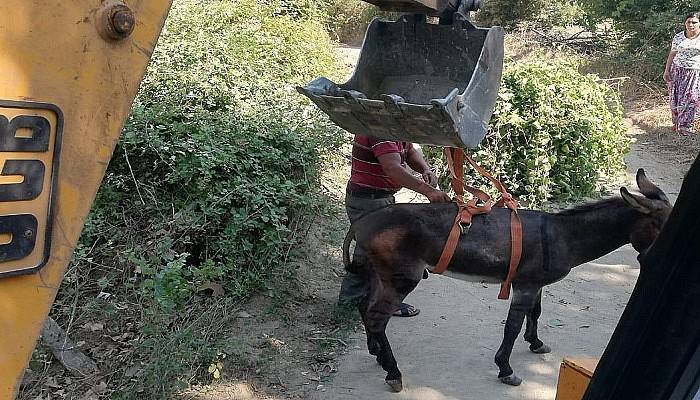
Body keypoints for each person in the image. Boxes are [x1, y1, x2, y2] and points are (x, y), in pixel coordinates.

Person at [340, 134, 451, 317]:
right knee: (370, 254)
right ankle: (349, 305)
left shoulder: (393, 128)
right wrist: (427, 190)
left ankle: (377, 300)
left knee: (381, 253)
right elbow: (392, 167)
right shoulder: (377, 128)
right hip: (368, 200)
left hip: (379, 199)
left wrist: (425, 169)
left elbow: (409, 152)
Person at [664, 11, 700, 135]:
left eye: (694, 22)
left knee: (691, 99)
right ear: (685, 23)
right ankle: (677, 123)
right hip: (677, 70)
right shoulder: (678, 37)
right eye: (688, 22)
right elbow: (672, 53)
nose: (691, 24)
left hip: (694, 73)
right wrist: (667, 70)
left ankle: (686, 126)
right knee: (675, 98)